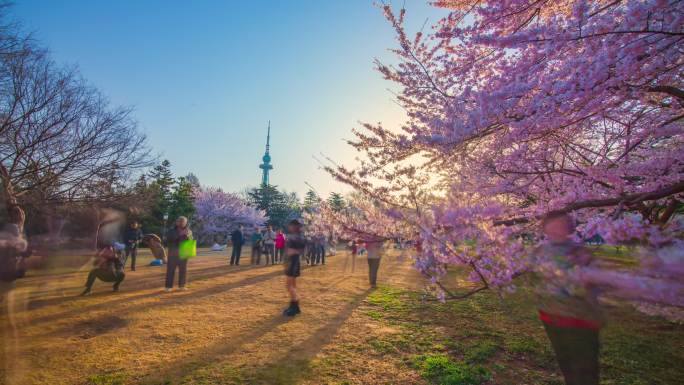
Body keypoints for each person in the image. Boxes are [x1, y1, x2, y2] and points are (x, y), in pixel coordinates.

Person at [533, 212, 602, 385]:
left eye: (561, 225)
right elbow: (535, 278)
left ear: (569, 228)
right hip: (551, 316)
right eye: (552, 226)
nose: (557, 230)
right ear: (545, 228)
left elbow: (595, 284)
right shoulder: (540, 251)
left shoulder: (580, 253)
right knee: (565, 361)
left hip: (580, 319)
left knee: (585, 367)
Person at [283, 219, 305, 316]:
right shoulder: (296, 236)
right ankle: (294, 306)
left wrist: (292, 251)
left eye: (291, 225)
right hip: (292, 261)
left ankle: (295, 305)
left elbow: (301, 250)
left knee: (289, 286)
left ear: (295, 227)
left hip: (294, 261)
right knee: (292, 285)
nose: (289, 227)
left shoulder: (297, 237)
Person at [165, 216, 193, 291]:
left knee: (183, 270)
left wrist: (188, 236)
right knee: (170, 270)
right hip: (173, 253)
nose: (181, 223)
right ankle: (168, 287)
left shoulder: (189, 231)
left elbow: (190, 242)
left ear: (186, 223)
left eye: (183, 221)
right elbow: (170, 239)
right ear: (177, 222)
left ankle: (182, 286)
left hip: (184, 253)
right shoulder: (171, 231)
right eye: (180, 221)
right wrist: (181, 235)